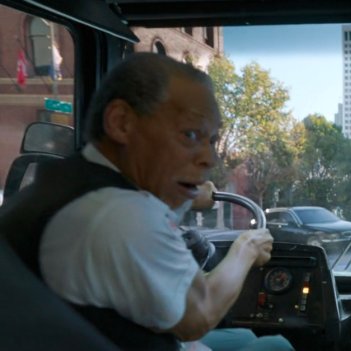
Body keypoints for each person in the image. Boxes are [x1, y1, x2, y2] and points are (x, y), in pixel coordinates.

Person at [0, 53, 293, 351]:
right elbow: (199, 316)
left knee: (245, 338)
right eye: (190, 134)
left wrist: (186, 198)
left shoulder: (71, 185)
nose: (210, 158)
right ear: (122, 123)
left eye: (212, 140)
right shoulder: (122, 214)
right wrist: (247, 249)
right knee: (277, 345)